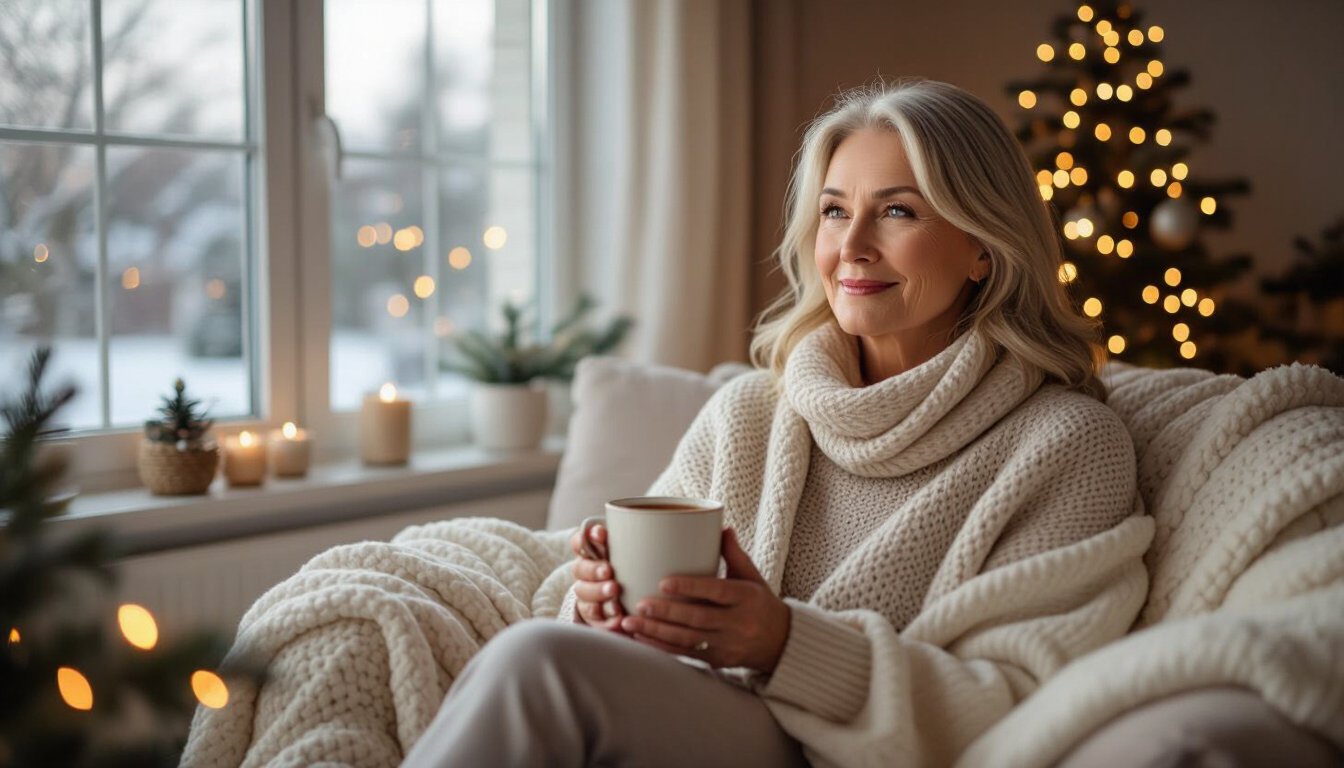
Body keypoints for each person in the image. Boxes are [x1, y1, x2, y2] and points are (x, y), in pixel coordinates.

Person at [403, 79, 1153, 767]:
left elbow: (1023, 700)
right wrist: (600, 607)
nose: (852, 246)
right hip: (699, 720)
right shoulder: (752, 413)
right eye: (834, 211)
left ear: (983, 248)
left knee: (537, 665)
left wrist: (786, 644)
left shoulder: (1066, 446)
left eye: (897, 210)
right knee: (546, 652)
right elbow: (628, 627)